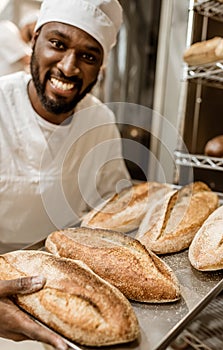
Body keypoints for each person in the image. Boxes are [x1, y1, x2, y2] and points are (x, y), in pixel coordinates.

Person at [0, 0, 130, 348]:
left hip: (72, 287)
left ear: (100, 67)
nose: (69, 67)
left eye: (88, 56)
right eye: (57, 44)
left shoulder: (100, 122)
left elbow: (113, 210)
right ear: (35, 39)